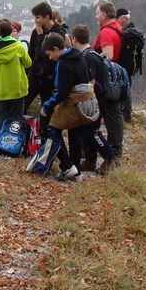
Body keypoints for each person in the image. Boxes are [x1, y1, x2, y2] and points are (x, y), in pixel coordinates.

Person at [40, 33, 97, 181]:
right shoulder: (80, 57)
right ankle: (76, 169)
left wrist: (47, 106)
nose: (50, 58)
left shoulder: (63, 63)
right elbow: (90, 77)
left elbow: (62, 91)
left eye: (50, 54)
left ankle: (67, 165)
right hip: (86, 102)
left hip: (73, 102)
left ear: (56, 48)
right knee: (75, 134)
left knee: (52, 129)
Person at [72, 24, 121, 173]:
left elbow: (91, 82)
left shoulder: (88, 57)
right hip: (97, 99)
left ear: (74, 39)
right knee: (87, 131)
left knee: (92, 131)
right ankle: (90, 160)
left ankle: (109, 157)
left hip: (95, 101)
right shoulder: (93, 54)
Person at [24, 1, 69, 123]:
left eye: (38, 17)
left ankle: (45, 135)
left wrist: (41, 37)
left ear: (47, 17)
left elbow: (47, 56)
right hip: (34, 75)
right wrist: (28, 71)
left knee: (47, 110)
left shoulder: (59, 32)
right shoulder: (36, 31)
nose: (36, 20)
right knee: (22, 105)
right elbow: (32, 54)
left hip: (49, 78)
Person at [0, 18, 32, 127]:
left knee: (3, 119)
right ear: (11, 30)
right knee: (17, 120)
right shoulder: (18, 46)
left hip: (1, 90)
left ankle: (3, 141)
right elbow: (28, 63)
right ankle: (16, 142)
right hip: (18, 89)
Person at [92, 0, 126, 156]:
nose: (96, 16)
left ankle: (113, 151)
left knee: (109, 113)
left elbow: (108, 56)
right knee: (110, 113)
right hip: (118, 78)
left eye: (98, 13)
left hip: (106, 80)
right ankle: (102, 147)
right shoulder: (118, 28)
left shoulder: (106, 31)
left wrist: (92, 62)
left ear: (104, 15)